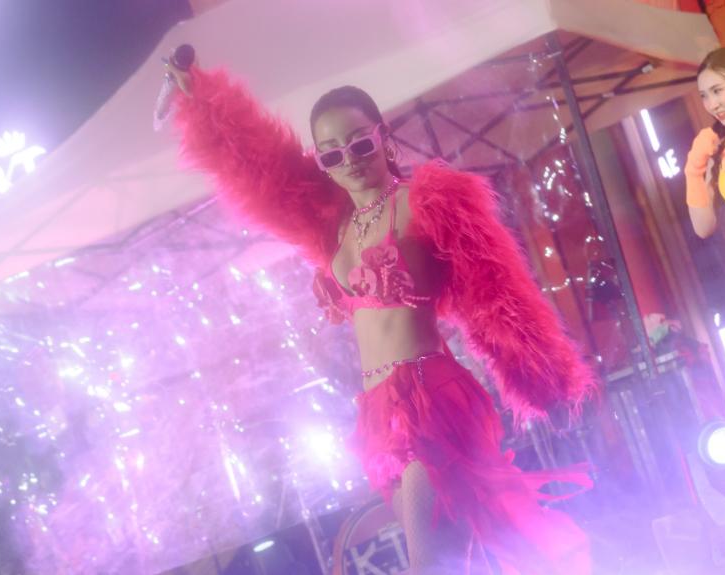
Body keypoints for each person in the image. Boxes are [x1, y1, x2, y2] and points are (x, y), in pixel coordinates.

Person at [163, 53, 595, 574]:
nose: (349, 160)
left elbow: (498, 292)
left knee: (426, 558)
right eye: (331, 154)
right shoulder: (336, 225)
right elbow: (260, 166)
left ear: (383, 137)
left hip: (430, 398)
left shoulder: (424, 203)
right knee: (459, 550)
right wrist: (201, 99)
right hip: (375, 410)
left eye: (360, 144)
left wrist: (548, 380)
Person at [686, 47, 725, 240]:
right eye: (704, 96)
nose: (712, 105)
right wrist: (694, 170)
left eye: (717, 91)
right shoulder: (721, 152)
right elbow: (703, 228)